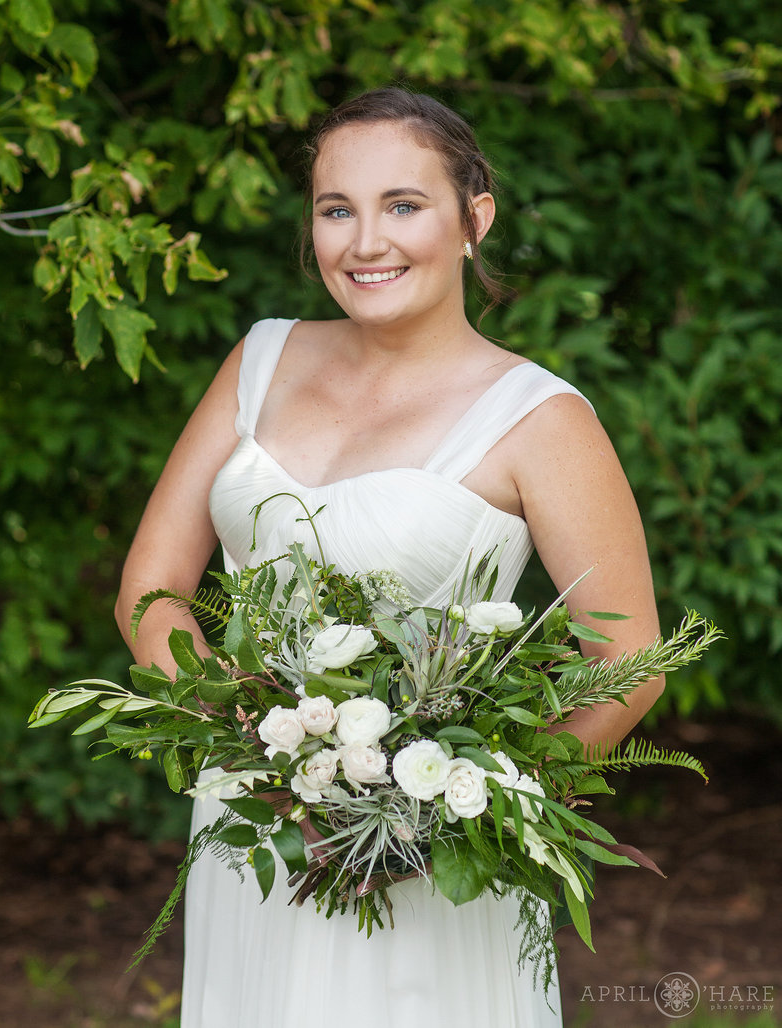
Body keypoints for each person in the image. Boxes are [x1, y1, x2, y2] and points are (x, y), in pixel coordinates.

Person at [115, 87, 663, 1028]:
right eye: (337, 210)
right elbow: (152, 591)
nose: (366, 242)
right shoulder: (259, 359)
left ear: (472, 220)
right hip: (254, 828)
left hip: (418, 854)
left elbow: (630, 666)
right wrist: (254, 743)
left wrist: (454, 816)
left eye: (403, 205)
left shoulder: (541, 419)